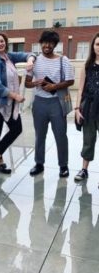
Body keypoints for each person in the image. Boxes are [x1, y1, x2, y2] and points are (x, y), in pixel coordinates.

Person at [25, 30, 74, 177]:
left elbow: (70, 80)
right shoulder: (34, 61)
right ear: (41, 43)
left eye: (51, 42)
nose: (47, 45)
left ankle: (63, 166)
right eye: (45, 42)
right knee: (40, 135)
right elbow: (27, 84)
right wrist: (35, 83)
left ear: (55, 44)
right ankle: (39, 163)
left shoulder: (62, 60)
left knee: (61, 135)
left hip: (57, 103)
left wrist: (54, 86)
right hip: (39, 103)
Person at [0, 32, 36, 174]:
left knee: (16, 129)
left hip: (9, 101)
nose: (0, 44)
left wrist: (30, 61)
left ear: (5, 42)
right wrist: (15, 96)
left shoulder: (8, 57)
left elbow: (29, 54)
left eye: (2, 41)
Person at [74, 33, 99, 181]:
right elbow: (80, 89)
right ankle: (84, 170)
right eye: (97, 44)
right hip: (89, 107)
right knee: (88, 140)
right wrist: (77, 109)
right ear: (93, 46)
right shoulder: (87, 65)